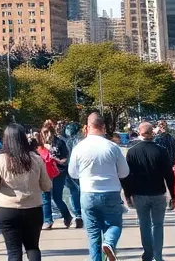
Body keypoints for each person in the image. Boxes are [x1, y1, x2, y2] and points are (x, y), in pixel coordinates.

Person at [68, 112, 130, 261]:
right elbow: (124, 172)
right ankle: (109, 242)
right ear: (103, 127)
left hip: (88, 194)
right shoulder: (112, 147)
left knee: (93, 234)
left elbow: (73, 173)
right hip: (111, 192)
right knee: (114, 225)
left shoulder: (79, 148)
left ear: (87, 127)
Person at [0, 123, 51, 261]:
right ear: (23, 138)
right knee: (33, 247)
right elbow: (47, 186)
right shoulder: (36, 159)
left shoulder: (0, 160)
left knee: (13, 251)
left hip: (7, 209)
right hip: (33, 208)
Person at [122, 122, 175, 261]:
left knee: (144, 224)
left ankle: (148, 254)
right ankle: (158, 256)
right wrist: (173, 195)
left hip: (139, 194)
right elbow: (169, 175)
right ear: (153, 133)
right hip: (158, 193)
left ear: (139, 133)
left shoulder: (132, 152)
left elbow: (128, 176)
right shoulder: (161, 150)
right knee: (158, 225)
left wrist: (128, 194)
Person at [39, 122, 72, 229]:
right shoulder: (40, 144)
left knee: (57, 197)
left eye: (48, 132)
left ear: (52, 132)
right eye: (44, 132)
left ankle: (67, 216)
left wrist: (54, 158)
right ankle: (48, 221)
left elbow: (65, 159)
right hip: (44, 172)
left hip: (59, 172)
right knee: (45, 197)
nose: (46, 135)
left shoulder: (60, 143)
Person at [63, 122, 84, 228]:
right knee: (82, 191)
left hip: (68, 170)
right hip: (80, 169)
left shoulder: (65, 141)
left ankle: (78, 214)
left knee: (73, 192)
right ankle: (82, 213)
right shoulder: (80, 141)